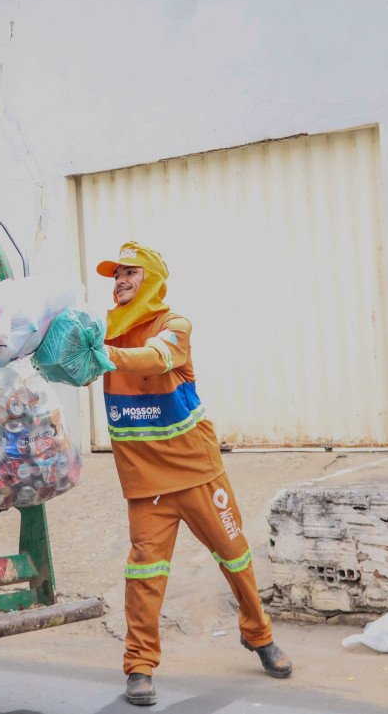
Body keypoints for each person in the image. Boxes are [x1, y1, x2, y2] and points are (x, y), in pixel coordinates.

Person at [95, 241, 291, 707]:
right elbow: (74, 365)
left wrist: (99, 354)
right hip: (145, 482)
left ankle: (258, 634)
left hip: (197, 472)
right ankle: (139, 665)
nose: (120, 281)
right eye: (116, 275)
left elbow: (156, 359)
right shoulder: (103, 333)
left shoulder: (173, 326)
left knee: (235, 557)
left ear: (152, 280)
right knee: (144, 573)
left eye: (130, 273)